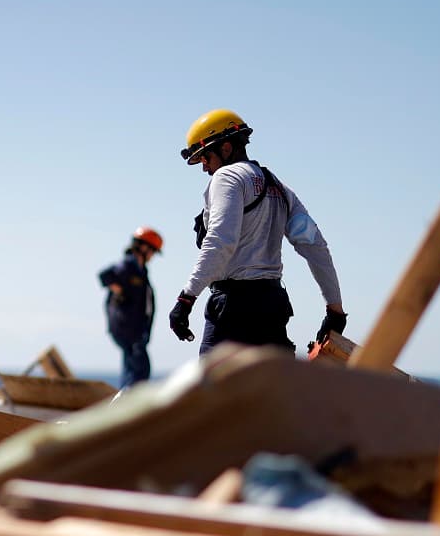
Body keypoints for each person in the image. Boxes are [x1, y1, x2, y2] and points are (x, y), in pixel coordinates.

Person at [168, 109, 346, 356]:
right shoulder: (279, 187)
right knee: (273, 392)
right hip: (273, 308)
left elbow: (220, 241)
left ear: (226, 148)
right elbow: (315, 247)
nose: (205, 168)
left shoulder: (227, 177)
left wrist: (186, 298)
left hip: (233, 310)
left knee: (213, 393)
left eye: (206, 158)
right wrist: (335, 310)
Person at [99, 226, 162, 388]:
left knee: (132, 370)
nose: (152, 256)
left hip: (134, 328)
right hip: (128, 327)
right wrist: (119, 291)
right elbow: (105, 275)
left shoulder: (140, 270)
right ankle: (128, 405)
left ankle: (122, 403)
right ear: (143, 247)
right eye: (153, 251)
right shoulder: (127, 266)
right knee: (140, 370)